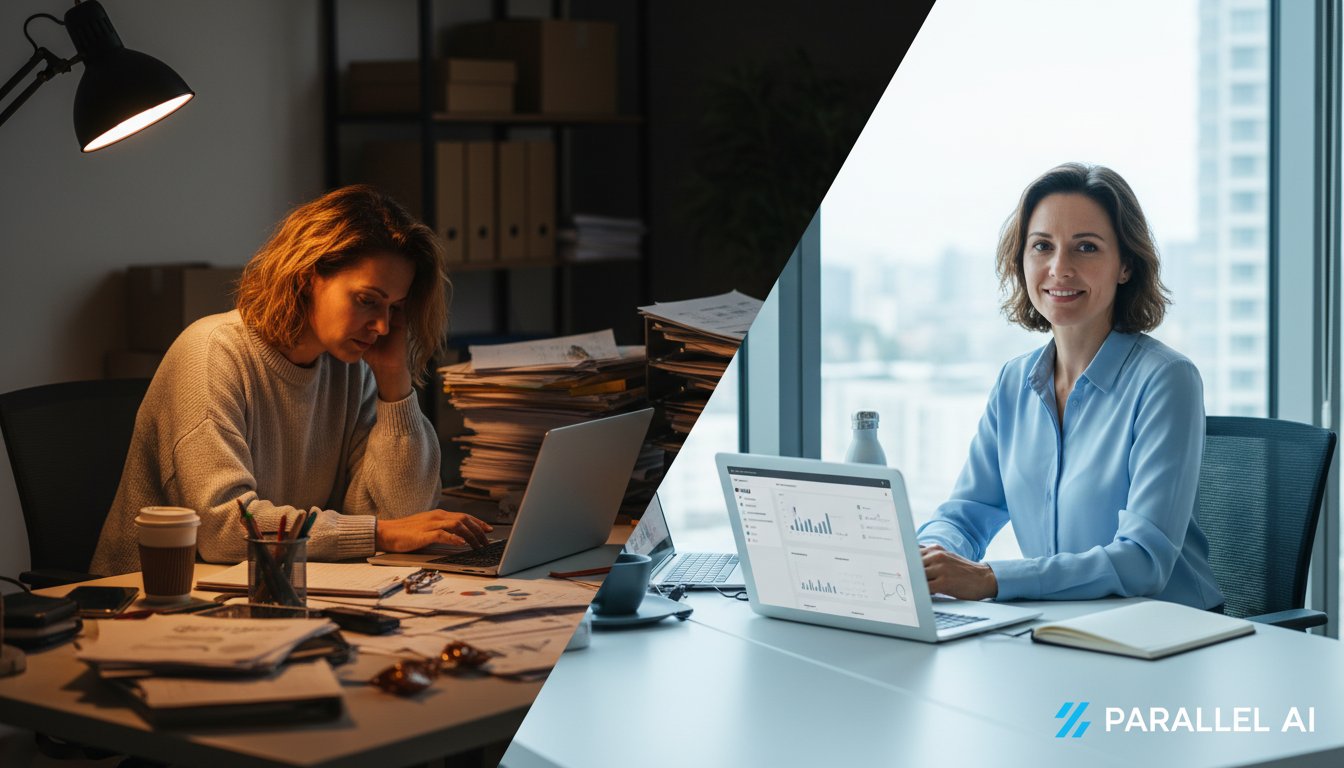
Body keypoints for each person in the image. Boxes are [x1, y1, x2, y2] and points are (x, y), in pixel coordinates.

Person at [91, 185, 493, 575]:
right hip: (151, 602)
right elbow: (224, 529)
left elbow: (405, 517)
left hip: (278, 589)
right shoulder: (212, 354)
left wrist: (394, 378)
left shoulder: (351, 368)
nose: (382, 326)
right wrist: (377, 533)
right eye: (367, 300)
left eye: (394, 307)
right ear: (307, 277)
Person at [915, 163, 1223, 610]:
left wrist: (988, 578)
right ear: (1022, 261)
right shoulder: (1013, 384)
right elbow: (966, 516)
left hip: (1166, 636)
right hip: (1059, 628)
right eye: (1042, 246)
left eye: (1086, 247)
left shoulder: (1166, 380)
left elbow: (1142, 561)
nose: (1060, 268)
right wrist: (927, 558)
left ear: (1125, 266)